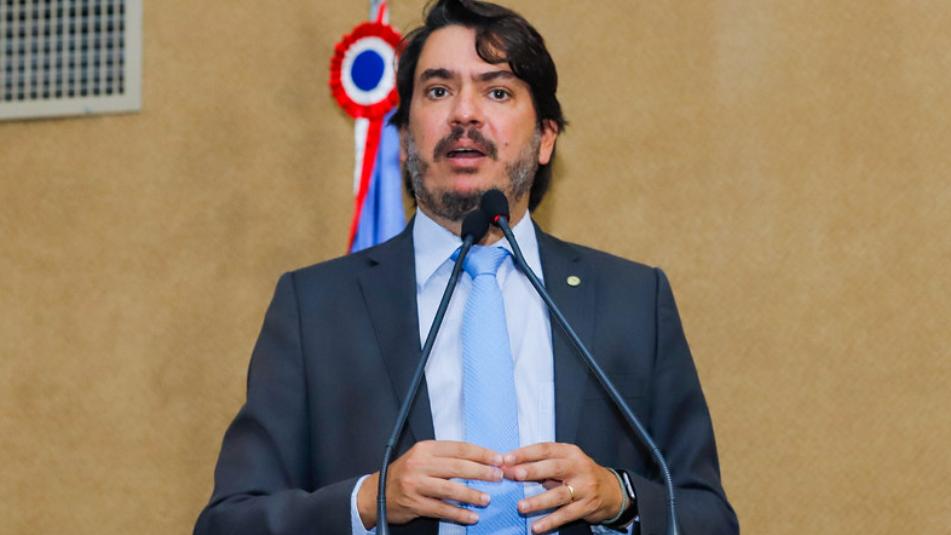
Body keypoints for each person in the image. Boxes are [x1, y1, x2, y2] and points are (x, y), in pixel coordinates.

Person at [194, 1, 738, 534]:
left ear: (546, 138)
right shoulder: (315, 307)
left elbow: (709, 517)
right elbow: (228, 522)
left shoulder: (632, 300)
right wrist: (369, 500)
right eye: (438, 91)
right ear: (404, 138)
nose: (464, 114)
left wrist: (619, 498)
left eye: (497, 91)